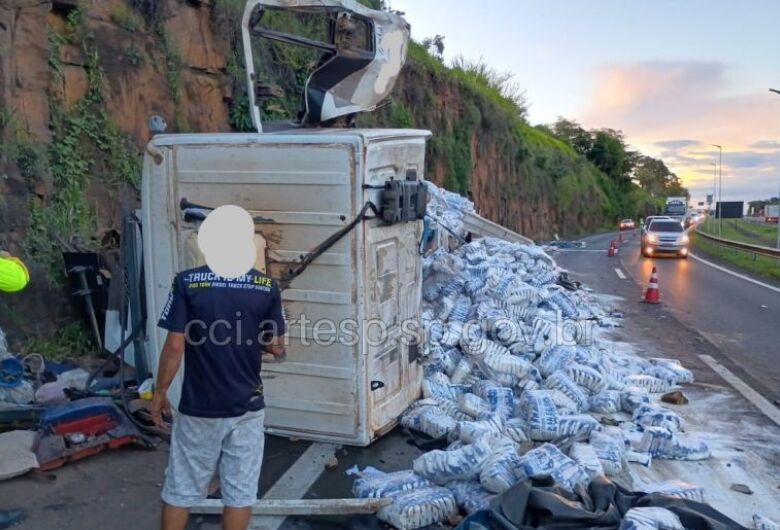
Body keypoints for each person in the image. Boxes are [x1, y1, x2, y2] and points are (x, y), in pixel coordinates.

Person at [150, 206, 287, 530]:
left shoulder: (187, 282)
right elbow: (277, 346)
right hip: (247, 406)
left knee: (181, 488)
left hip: (200, 407)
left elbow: (174, 345)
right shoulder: (267, 287)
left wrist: (159, 393)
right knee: (239, 492)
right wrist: (261, 343)